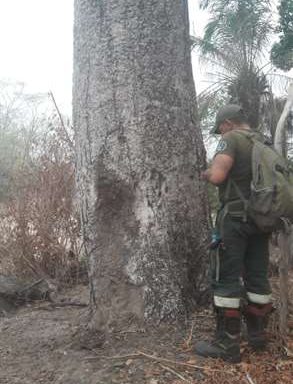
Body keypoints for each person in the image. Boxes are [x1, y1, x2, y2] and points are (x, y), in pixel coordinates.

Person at [195, 104, 273, 363]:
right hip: (261, 219)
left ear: (227, 123)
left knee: (226, 276)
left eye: (220, 129)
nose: (220, 133)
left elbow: (218, 176)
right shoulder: (263, 141)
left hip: (235, 218)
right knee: (258, 275)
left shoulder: (231, 139)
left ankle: (226, 345)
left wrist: (204, 173)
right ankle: (258, 335)